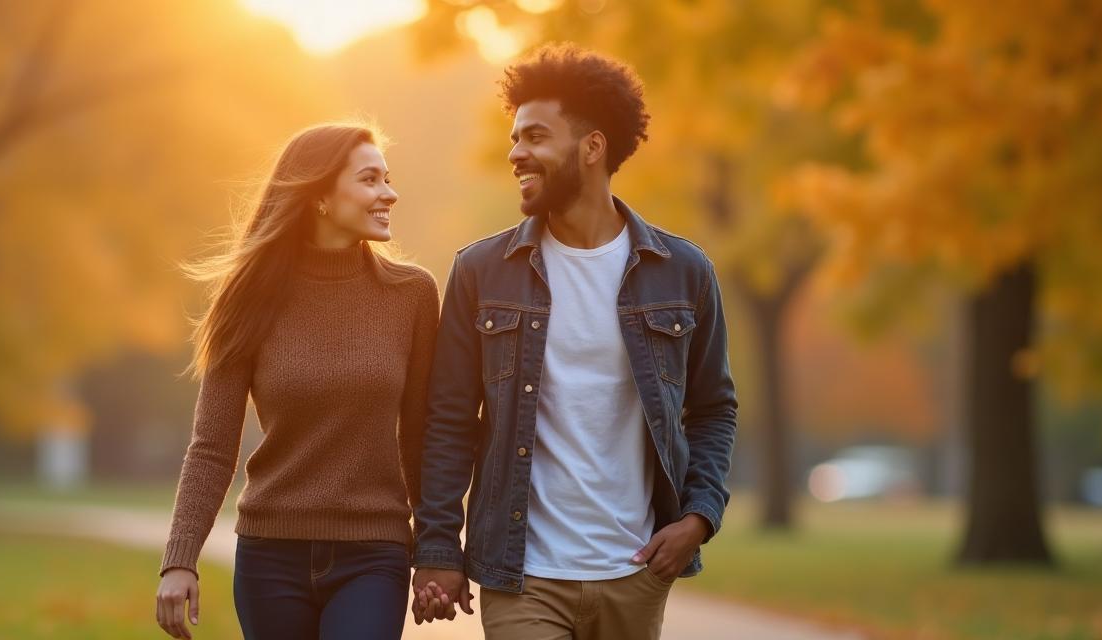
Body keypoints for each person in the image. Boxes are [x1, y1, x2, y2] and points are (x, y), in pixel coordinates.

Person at [410, 44, 739, 640]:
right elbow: (449, 420)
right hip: (522, 576)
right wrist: (437, 546)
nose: (516, 154)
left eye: (535, 136)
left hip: (634, 574)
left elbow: (713, 408)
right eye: (515, 138)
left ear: (593, 148)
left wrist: (700, 516)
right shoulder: (482, 271)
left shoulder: (684, 272)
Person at [154, 123, 439, 640]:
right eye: (371, 179)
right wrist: (180, 559)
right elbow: (213, 446)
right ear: (321, 197)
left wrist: (439, 550)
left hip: (373, 553)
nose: (389, 193)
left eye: (388, 178)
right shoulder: (248, 297)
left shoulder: (412, 295)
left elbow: (419, 433)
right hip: (270, 557)